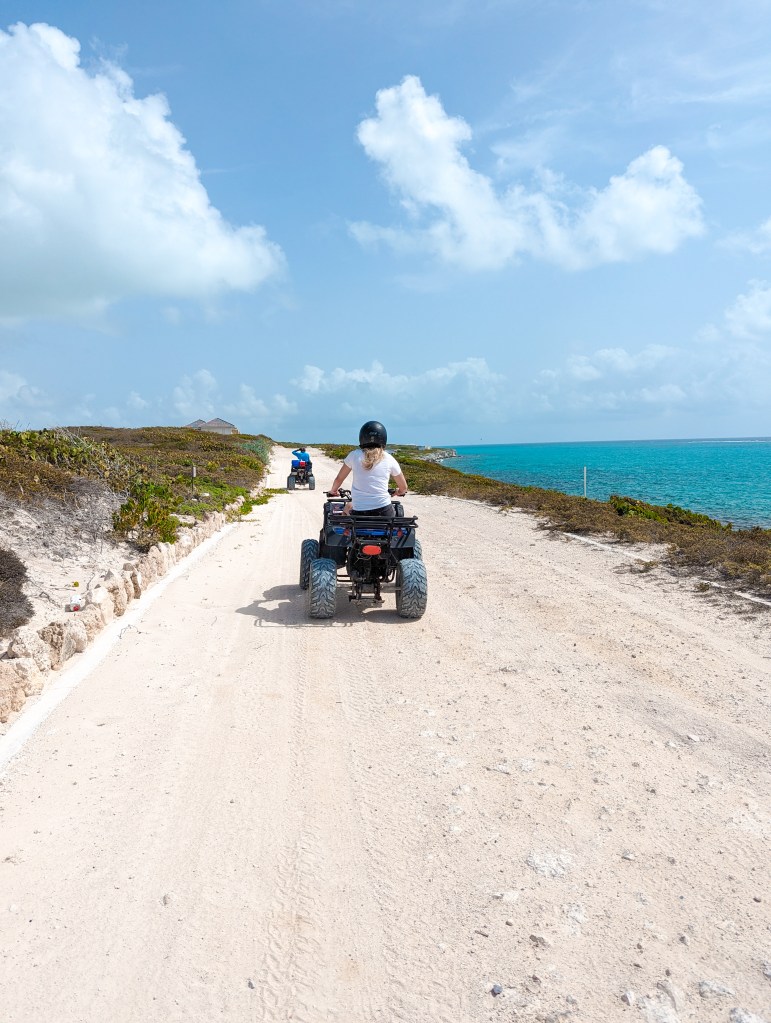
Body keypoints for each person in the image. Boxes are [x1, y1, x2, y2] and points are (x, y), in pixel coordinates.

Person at [328, 420, 407, 518]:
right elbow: (404, 488)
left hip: (360, 512)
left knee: (347, 509)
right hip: (385, 512)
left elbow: (339, 479)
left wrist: (333, 491)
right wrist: (398, 492)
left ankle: (347, 532)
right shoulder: (389, 458)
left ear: (362, 437)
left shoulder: (354, 455)